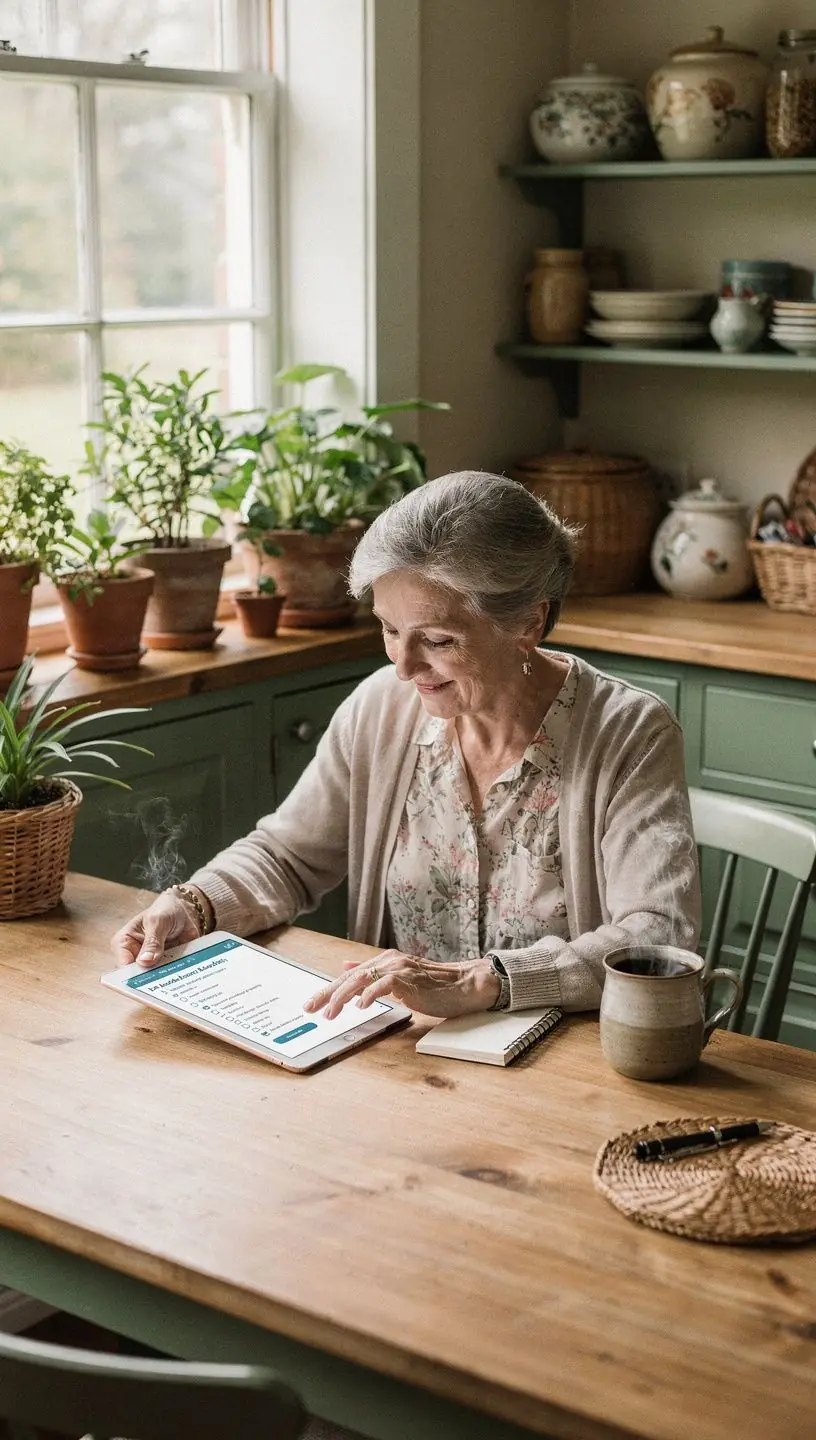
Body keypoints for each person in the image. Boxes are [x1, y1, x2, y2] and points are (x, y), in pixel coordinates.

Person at [112, 470, 701, 1017]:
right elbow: (289, 856)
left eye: (438, 639)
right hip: (404, 1050)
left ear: (527, 622)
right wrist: (193, 904)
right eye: (390, 630)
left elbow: (657, 932)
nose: (403, 665)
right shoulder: (381, 710)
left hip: (567, 1063)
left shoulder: (629, 733)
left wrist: (485, 981)